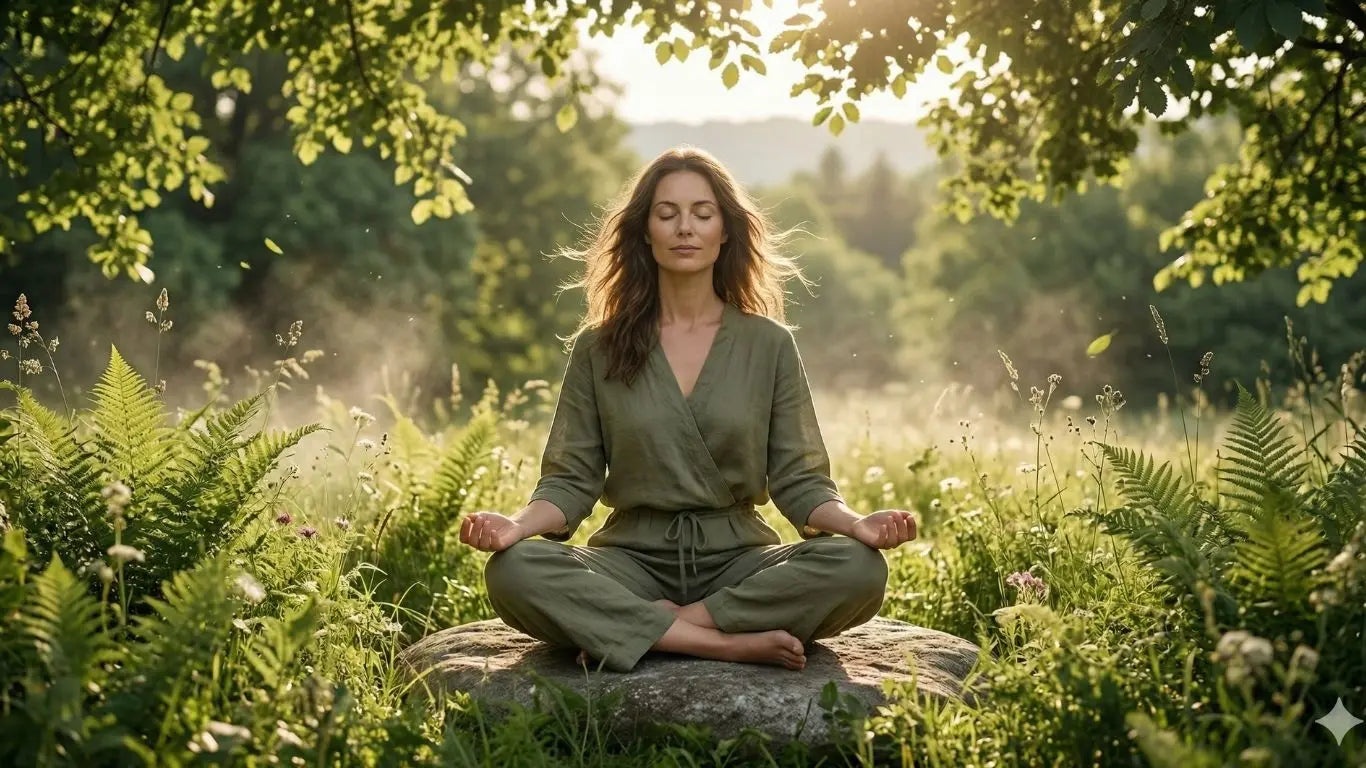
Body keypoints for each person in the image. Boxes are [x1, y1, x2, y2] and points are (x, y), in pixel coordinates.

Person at [457, 146, 916, 674]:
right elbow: (570, 480)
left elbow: (801, 481)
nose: (685, 228)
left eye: (702, 213)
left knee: (859, 568)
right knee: (514, 570)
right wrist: (515, 527)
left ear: (726, 231)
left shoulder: (769, 345)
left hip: (739, 563)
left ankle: (659, 628)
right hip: (628, 564)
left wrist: (858, 524)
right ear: (644, 231)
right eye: (667, 213)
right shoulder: (598, 347)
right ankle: (722, 643)